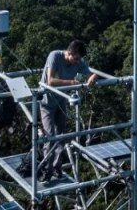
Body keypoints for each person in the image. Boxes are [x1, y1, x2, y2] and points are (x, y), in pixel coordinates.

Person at [39, 40, 98, 181]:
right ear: (69, 53)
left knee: (61, 136)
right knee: (51, 136)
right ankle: (47, 169)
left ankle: (56, 167)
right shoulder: (55, 56)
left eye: (79, 59)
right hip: (47, 102)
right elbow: (50, 81)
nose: (77, 62)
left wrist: (93, 77)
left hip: (61, 101)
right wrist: (71, 83)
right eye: (76, 58)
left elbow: (90, 73)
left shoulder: (78, 62)